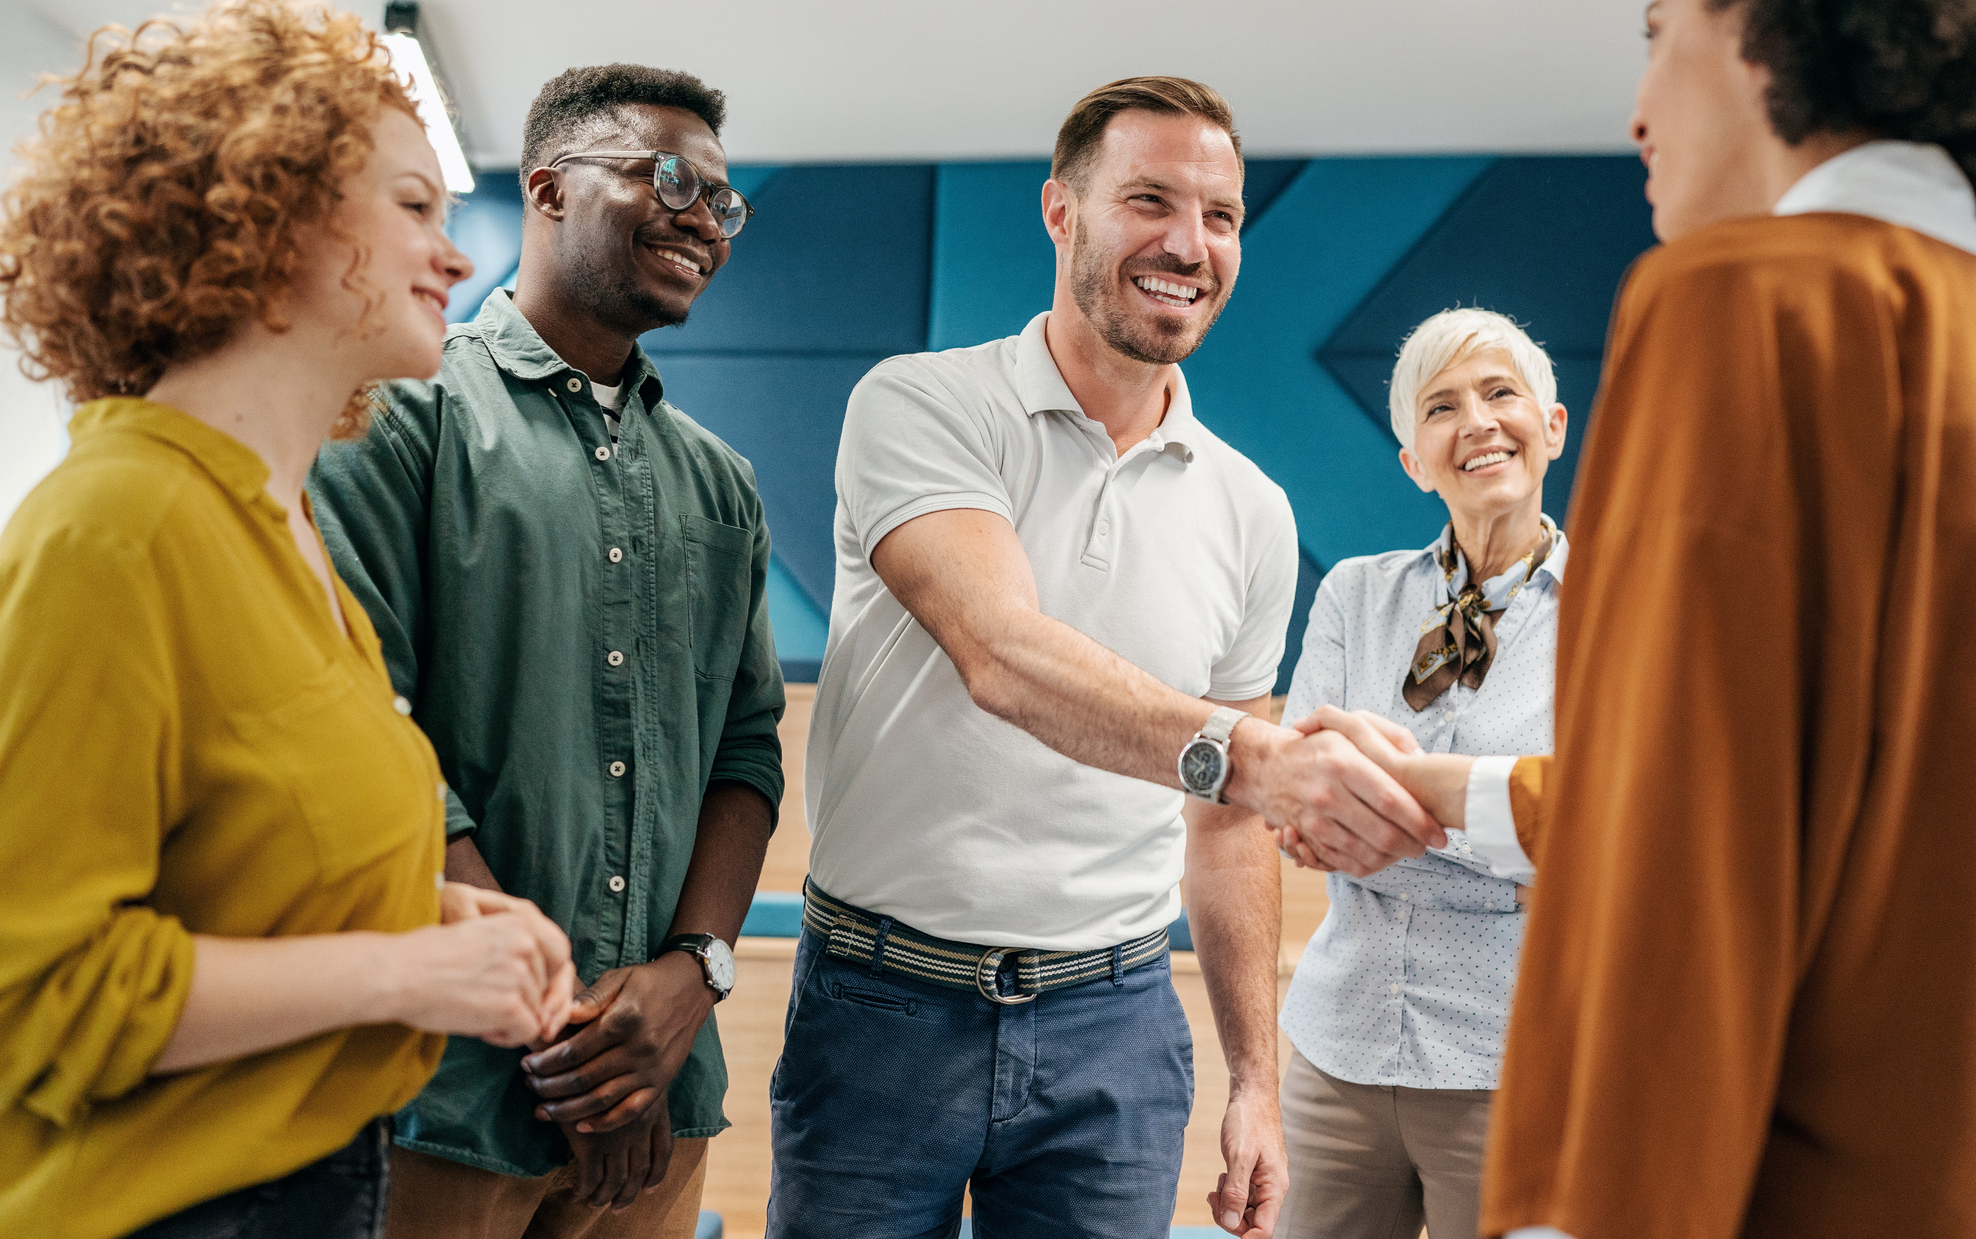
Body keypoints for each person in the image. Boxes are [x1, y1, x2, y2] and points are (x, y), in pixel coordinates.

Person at [1301, 0, 1976, 1234]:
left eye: (1657, 35)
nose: (1637, 111)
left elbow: (1674, 870)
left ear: (1766, 18)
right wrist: (1454, 794)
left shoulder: (1751, 307)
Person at [765, 75, 1438, 1239]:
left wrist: (1257, 1084)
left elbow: (1222, 827)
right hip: (882, 1005)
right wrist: (1264, 760)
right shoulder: (924, 404)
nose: (1190, 244)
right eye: (1149, 200)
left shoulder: (1253, 511)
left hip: (1113, 1023)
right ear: (1059, 210)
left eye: (1221, 216)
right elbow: (1005, 654)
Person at [0, 0, 577, 1238]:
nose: (457, 249)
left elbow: (239, 868)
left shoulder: (283, 531)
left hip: (316, 1186)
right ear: (261, 218)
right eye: (413, 204)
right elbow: (41, 994)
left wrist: (430, 912)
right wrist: (410, 969)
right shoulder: (118, 525)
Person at [309, 65, 785, 1236]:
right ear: (548, 188)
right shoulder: (393, 413)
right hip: (445, 1087)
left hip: (665, 1091)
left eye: (722, 201)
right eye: (665, 175)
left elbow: (748, 751)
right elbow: (370, 735)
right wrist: (567, 1030)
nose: (700, 217)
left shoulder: (722, 485)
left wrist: (691, 979)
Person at [1270, 308, 1565, 1239]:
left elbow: (1607, 832)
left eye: (1500, 393)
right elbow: (1301, 814)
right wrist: (1508, 818)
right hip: (1337, 1052)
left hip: (1514, 1064)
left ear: (1551, 427)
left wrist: (1391, 797)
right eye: (1440, 406)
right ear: (1413, 460)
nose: (1475, 421)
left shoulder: (1627, 610)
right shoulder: (1354, 594)